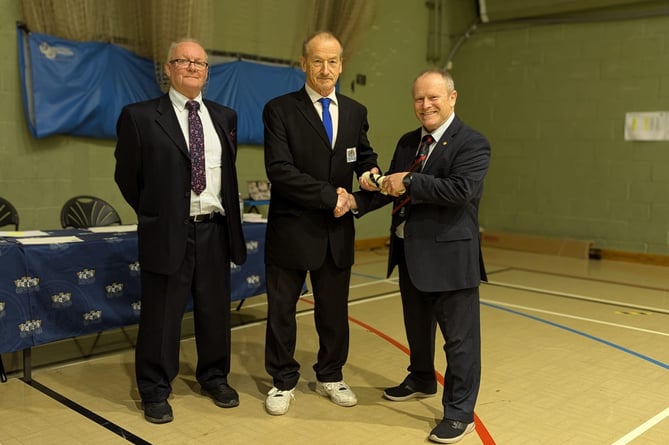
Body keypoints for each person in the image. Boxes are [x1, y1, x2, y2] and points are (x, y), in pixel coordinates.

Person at [353, 69, 490, 443]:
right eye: (418, 99)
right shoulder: (408, 141)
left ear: (452, 98)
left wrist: (409, 181)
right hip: (409, 253)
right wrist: (360, 195)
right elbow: (391, 188)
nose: (425, 105)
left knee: (460, 342)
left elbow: (460, 190)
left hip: (450, 260)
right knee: (417, 330)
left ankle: (460, 412)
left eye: (433, 98)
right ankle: (421, 377)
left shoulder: (472, 143)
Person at [114, 38, 247, 424]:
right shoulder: (139, 117)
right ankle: (155, 389)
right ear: (168, 69)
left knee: (214, 313)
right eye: (183, 61)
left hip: (214, 230)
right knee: (161, 316)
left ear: (207, 72)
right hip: (167, 231)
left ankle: (214, 377)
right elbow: (127, 178)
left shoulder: (226, 117)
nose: (192, 67)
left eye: (200, 63)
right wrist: (157, 213)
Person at [261, 31, 380, 416]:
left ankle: (331, 374)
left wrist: (370, 174)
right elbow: (280, 170)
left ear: (341, 65)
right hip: (292, 230)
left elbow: (363, 156)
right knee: (282, 311)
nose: (325, 69)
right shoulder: (279, 109)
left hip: (336, 234)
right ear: (304, 64)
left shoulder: (355, 110)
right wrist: (333, 197)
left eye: (332, 61)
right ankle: (282, 380)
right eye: (317, 61)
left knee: (334, 311)